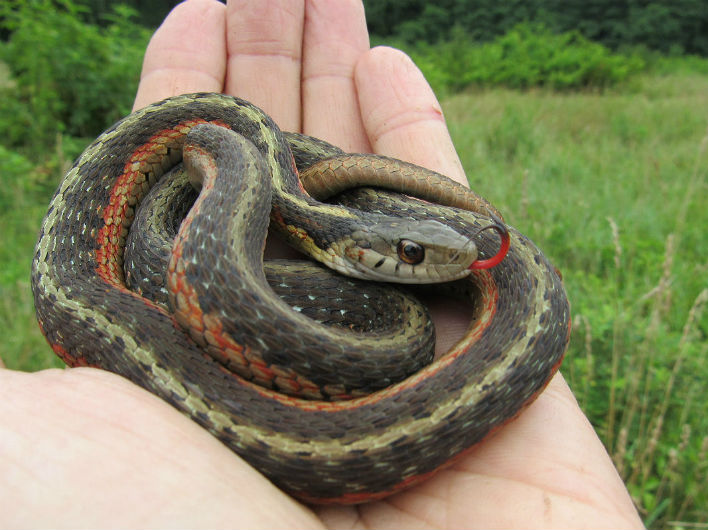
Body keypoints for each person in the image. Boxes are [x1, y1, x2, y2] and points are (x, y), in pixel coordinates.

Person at [0, 1, 644, 527]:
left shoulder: (342, 240)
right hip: (185, 215)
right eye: (412, 254)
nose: (448, 261)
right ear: (349, 246)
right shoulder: (226, 170)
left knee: (407, 328)